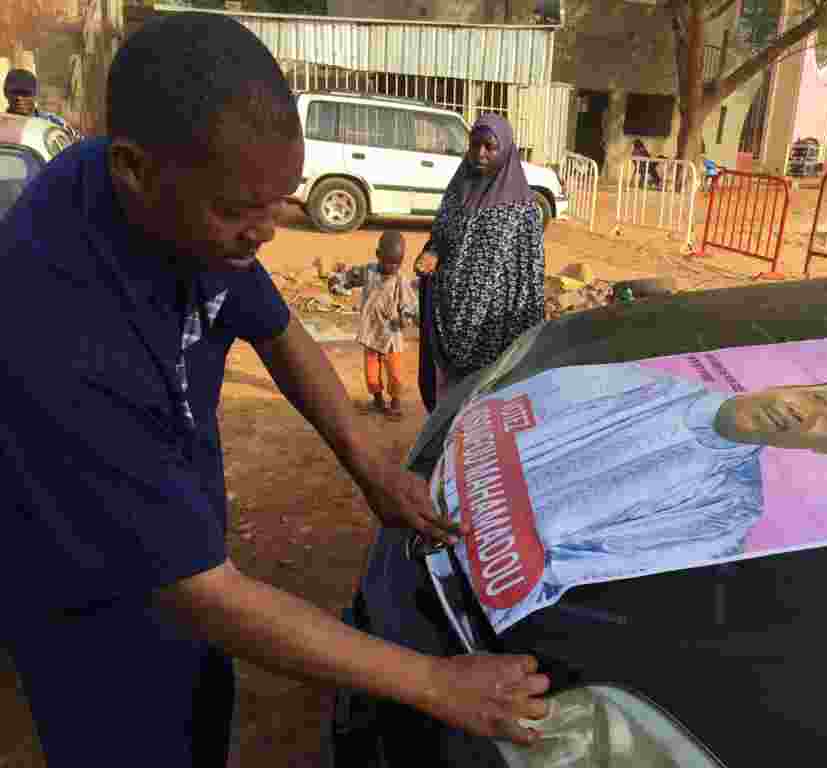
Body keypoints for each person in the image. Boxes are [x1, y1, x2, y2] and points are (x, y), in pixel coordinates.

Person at [0, 14, 549, 767]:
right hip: (95, 615)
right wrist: (433, 682)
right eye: (239, 211)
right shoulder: (57, 321)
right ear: (132, 169)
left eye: (278, 201)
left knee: (202, 720)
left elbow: (276, 329)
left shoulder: (191, 204)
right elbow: (201, 591)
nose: (264, 233)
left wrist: (369, 466)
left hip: (180, 553)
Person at [438, 363, 827, 630]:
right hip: (422, 504)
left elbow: (552, 588)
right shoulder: (639, 383)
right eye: (823, 399)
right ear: (804, 385)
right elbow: (497, 420)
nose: (809, 416)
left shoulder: (724, 515)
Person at [414, 113, 545, 413]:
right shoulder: (457, 190)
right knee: (446, 404)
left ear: (507, 150)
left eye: (489, 146)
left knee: (483, 408)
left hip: (494, 331)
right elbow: (441, 238)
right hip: (447, 319)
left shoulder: (523, 211)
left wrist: (523, 341)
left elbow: (530, 280)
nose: (480, 153)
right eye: (475, 145)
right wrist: (432, 253)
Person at [345, 231, 418, 420]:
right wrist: (341, 280)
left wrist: (405, 319)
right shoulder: (369, 272)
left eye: (398, 263)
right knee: (371, 373)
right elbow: (352, 277)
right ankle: (377, 400)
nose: (393, 267)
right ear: (378, 255)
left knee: (395, 373)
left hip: (391, 336)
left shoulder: (401, 280)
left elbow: (409, 305)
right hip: (371, 333)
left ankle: (395, 402)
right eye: (389, 262)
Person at [4, 68, 82, 141]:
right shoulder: (2, 125)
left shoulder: (54, 124)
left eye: (25, 93)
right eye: (14, 93)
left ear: (35, 95)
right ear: (5, 93)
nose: (19, 98)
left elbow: (79, 145)